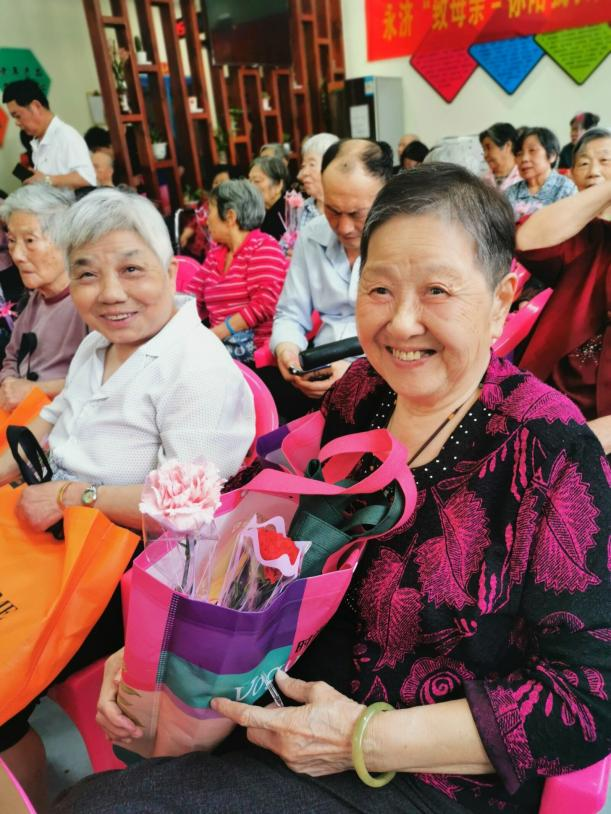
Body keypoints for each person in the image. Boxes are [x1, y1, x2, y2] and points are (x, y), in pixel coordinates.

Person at [54, 164, 610, 814]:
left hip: (416, 776)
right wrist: (157, 640)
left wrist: (363, 739)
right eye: (378, 288)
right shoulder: (362, 396)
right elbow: (251, 521)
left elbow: (587, 697)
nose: (401, 323)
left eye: (436, 291)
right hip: (273, 713)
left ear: (499, 301)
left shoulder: (545, 447)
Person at [0, 187, 256, 812]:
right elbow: (54, 416)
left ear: (170, 271)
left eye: (131, 268)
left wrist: (68, 494)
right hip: (46, 535)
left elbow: (186, 506)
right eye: (87, 274)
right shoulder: (98, 343)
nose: (109, 292)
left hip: (123, 571)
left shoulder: (197, 370)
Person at [267, 138, 393, 419]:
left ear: (385, 196)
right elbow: (290, 312)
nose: (344, 227)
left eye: (356, 214)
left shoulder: (404, 242)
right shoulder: (312, 235)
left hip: (387, 374)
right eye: (333, 211)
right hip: (320, 366)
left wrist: (356, 374)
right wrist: (288, 349)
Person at [515, 127, 611, 451]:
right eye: (583, 163)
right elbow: (527, 240)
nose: (593, 170)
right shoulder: (586, 236)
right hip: (558, 404)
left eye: (605, 160)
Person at [0, 186, 87, 412]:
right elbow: (11, 357)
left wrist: (37, 390)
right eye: (11, 241)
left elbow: (110, 379)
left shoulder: (89, 303)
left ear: (65, 241)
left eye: (30, 240)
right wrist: (9, 384)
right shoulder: (33, 300)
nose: (17, 255)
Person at [187, 180, 288, 364]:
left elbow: (264, 305)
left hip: (256, 357)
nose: (206, 219)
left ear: (231, 216)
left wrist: (217, 333)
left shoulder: (264, 247)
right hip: (221, 353)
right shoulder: (216, 254)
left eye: (210, 212)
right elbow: (191, 299)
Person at [2, 80, 96, 189]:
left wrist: (47, 179)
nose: (17, 123)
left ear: (36, 106)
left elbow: (87, 178)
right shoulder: (37, 142)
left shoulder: (65, 136)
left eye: (18, 116)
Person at [505, 127, 576, 221]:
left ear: (552, 156)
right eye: (519, 153)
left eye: (532, 150)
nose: (524, 159)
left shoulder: (566, 189)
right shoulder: (511, 193)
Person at [297, 132, 340, 226]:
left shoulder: (347, 210)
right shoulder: (301, 210)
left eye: (312, 165)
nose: (304, 173)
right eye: (303, 166)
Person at [248, 156, 290, 241]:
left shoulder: (291, 213)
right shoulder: (255, 213)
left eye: (257, 181)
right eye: (249, 181)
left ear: (278, 185)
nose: (250, 187)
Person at [479, 122, 521, 191]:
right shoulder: (483, 182)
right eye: (484, 150)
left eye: (489, 147)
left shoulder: (526, 178)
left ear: (507, 145)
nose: (485, 155)